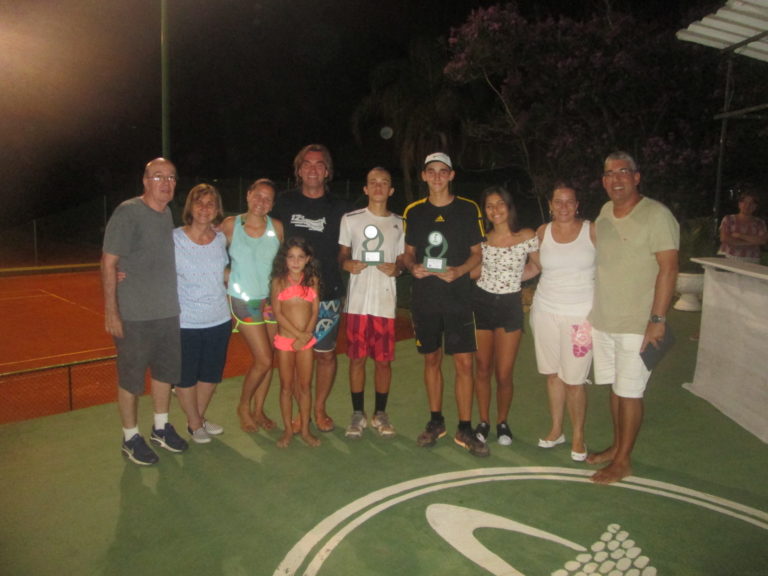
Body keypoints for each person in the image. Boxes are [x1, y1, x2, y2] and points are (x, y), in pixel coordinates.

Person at [587, 151, 679, 484]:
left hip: (638, 324)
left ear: (636, 177)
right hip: (605, 320)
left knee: (630, 392)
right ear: (603, 181)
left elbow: (669, 269)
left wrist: (657, 319)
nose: (616, 179)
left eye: (623, 172)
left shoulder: (657, 215)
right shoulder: (604, 213)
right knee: (616, 388)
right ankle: (617, 447)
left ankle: (623, 461)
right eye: (609, 174)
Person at [102, 157, 188, 465]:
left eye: (171, 177)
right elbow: (108, 263)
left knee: (165, 374)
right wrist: (112, 312)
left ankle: (160, 429)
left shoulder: (167, 214)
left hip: (167, 311)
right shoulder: (128, 212)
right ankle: (130, 438)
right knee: (131, 380)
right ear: (145, 181)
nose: (166, 183)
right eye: (158, 176)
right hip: (135, 315)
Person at [402, 152, 488, 457]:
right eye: (431, 171)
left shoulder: (467, 208)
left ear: (451, 175)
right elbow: (408, 253)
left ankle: (465, 427)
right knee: (432, 360)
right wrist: (412, 267)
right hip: (425, 298)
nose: (437, 176)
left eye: (443, 171)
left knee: (464, 363)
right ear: (424, 176)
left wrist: (459, 271)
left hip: (458, 298)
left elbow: (477, 253)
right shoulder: (414, 211)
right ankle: (436, 421)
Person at [272, 144, 349, 433]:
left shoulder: (340, 207)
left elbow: (352, 245)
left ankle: (318, 408)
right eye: (307, 163)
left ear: (327, 171)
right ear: (299, 170)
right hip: (291, 298)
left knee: (326, 355)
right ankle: (299, 410)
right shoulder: (284, 202)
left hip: (328, 293)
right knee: (293, 357)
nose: (313, 169)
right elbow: (259, 227)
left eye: (319, 164)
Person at [528, 183, 595, 462]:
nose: (564, 207)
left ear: (577, 205)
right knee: (553, 374)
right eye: (558, 201)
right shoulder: (542, 232)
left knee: (574, 380)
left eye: (569, 201)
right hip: (545, 312)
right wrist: (497, 278)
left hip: (581, 318)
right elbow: (534, 268)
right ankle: (557, 430)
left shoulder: (592, 231)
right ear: (550, 205)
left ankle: (578, 435)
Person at [338, 167, 405, 439]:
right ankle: (358, 413)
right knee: (356, 359)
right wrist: (346, 264)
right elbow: (342, 254)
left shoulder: (401, 223)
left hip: (385, 303)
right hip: (357, 303)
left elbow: (403, 259)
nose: (378, 187)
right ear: (365, 189)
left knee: (383, 362)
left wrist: (398, 269)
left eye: (384, 182)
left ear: (391, 190)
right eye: (373, 182)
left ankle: (380, 413)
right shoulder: (350, 219)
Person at [469, 186, 538, 447]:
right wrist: (443, 273)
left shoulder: (526, 236)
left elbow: (537, 266)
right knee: (482, 368)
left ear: (509, 206)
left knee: (504, 373)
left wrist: (515, 279)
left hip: (510, 307)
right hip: (482, 303)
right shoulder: (482, 240)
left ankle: (502, 422)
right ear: (485, 211)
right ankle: (484, 421)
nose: (495, 210)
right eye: (489, 206)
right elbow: (475, 272)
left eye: (500, 204)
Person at [221, 179, 284, 432]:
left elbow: (283, 263)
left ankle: (259, 410)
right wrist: (225, 273)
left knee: (269, 358)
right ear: (248, 195)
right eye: (257, 195)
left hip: (271, 300)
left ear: (272, 204)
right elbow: (207, 252)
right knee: (264, 359)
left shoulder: (277, 227)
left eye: (267, 198)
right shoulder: (230, 225)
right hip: (244, 301)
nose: (261, 202)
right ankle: (244, 406)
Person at [173, 184, 231, 444]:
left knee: (210, 375)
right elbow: (150, 263)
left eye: (210, 204)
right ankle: (195, 424)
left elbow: (225, 272)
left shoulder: (221, 239)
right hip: (185, 322)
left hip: (219, 319)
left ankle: (197, 419)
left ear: (217, 210)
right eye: (199, 203)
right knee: (186, 377)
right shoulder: (174, 239)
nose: (205, 208)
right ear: (190, 207)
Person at [270, 237, 321, 448]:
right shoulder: (278, 282)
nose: (296, 261)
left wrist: (306, 335)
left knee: (305, 386)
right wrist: (298, 335)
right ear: (285, 259)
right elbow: (278, 313)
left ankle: (305, 430)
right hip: (286, 341)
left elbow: (315, 310)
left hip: (306, 342)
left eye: (300, 257)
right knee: (286, 387)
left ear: (307, 259)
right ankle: (288, 430)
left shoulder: (312, 280)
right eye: (291, 257)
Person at [718, 189, 767, 263]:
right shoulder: (728, 219)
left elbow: (762, 240)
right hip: (728, 257)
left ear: (755, 206)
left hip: (751, 260)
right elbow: (725, 238)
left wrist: (739, 235)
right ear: (739, 204)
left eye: (751, 203)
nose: (747, 206)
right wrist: (751, 242)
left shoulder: (760, 223)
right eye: (744, 202)